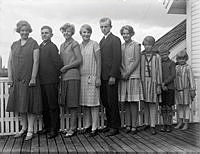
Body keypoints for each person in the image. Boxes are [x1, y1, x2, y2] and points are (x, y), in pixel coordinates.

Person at [6, 20, 42, 140]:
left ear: (29, 31)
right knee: (20, 105)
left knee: (30, 105)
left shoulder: (34, 43)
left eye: (26, 30)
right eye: (22, 30)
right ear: (19, 31)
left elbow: (36, 61)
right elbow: (9, 61)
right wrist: (10, 77)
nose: (24, 32)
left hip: (29, 80)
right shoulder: (14, 44)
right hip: (17, 80)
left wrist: (33, 77)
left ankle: (30, 130)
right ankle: (23, 128)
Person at [38, 26, 63, 138]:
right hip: (42, 81)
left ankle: (54, 129)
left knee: (53, 105)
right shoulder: (40, 46)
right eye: (42, 33)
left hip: (51, 81)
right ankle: (47, 127)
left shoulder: (52, 47)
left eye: (46, 33)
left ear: (51, 35)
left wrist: (55, 77)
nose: (44, 35)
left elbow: (58, 63)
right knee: (45, 106)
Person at [118, 25, 143, 134]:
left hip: (133, 76)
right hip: (124, 76)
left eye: (127, 33)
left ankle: (134, 125)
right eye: (123, 33)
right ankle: (127, 124)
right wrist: (123, 72)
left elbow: (137, 60)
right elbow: (120, 61)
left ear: (131, 34)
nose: (125, 35)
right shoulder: (121, 46)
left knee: (133, 102)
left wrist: (128, 72)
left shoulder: (136, 45)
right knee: (126, 102)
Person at [99, 17, 121, 136]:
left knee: (112, 101)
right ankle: (109, 124)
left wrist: (113, 75)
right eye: (102, 27)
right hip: (103, 76)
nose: (103, 29)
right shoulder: (102, 41)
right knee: (106, 102)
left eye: (106, 26)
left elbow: (117, 58)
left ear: (110, 27)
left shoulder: (115, 39)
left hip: (111, 76)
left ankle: (115, 127)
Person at [59, 23, 82, 137]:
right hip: (64, 77)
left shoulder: (74, 43)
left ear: (72, 32)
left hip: (73, 75)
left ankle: (73, 128)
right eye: (64, 31)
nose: (66, 33)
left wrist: (66, 67)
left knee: (73, 103)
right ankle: (69, 127)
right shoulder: (62, 45)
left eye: (68, 31)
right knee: (67, 103)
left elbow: (79, 60)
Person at [79, 24, 101, 137]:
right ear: (81, 34)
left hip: (92, 76)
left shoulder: (95, 44)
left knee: (93, 104)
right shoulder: (79, 46)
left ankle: (94, 127)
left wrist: (98, 77)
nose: (86, 34)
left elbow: (99, 61)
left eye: (88, 32)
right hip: (82, 77)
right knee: (85, 104)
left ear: (90, 33)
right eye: (84, 32)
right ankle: (87, 126)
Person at [140, 36, 162, 135]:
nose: (147, 47)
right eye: (146, 45)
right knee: (145, 103)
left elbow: (159, 72)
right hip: (144, 82)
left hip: (153, 81)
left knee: (153, 103)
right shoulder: (141, 56)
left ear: (153, 45)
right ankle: (146, 123)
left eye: (150, 45)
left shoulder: (156, 57)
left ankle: (153, 125)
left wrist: (158, 84)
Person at [174, 49, 196, 130]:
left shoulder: (188, 68)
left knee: (186, 107)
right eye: (180, 59)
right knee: (179, 107)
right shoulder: (176, 67)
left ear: (186, 58)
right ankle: (180, 122)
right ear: (177, 59)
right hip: (177, 90)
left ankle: (186, 123)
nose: (181, 60)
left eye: (183, 58)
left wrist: (192, 89)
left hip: (186, 90)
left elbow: (191, 79)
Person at [159, 48, 176, 132]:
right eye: (162, 55)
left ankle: (169, 124)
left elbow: (173, 75)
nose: (164, 56)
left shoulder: (172, 63)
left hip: (170, 88)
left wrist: (164, 83)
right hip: (161, 88)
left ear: (168, 54)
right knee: (163, 107)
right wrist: (161, 84)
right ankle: (164, 123)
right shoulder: (159, 64)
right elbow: (158, 75)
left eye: (165, 54)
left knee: (169, 107)